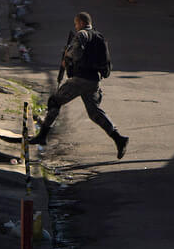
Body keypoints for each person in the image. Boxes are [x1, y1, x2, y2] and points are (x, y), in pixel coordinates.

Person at [33, 12, 128, 159]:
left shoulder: (82, 35)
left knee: (55, 101)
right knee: (94, 112)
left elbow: (75, 53)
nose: (76, 27)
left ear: (82, 23)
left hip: (81, 79)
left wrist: (67, 58)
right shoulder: (98, 36)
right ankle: (119, 138)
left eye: (76, 23)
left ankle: (42, 135)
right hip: (94, 80)